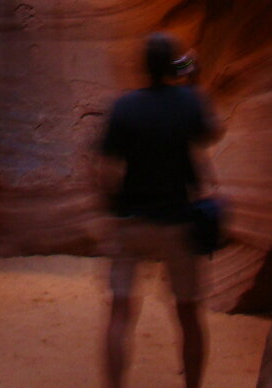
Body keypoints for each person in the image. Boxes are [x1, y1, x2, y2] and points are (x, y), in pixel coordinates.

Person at [96, 32, 224, 388]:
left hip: (131, 221)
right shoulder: (188, 101)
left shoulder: (124, 106)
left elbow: (104, 170)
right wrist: (195, 83)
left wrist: (112, 207)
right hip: (178, 221)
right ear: (173, 66)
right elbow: (213, 132)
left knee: (120, 313)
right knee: (188, 313)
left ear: (143, 66)